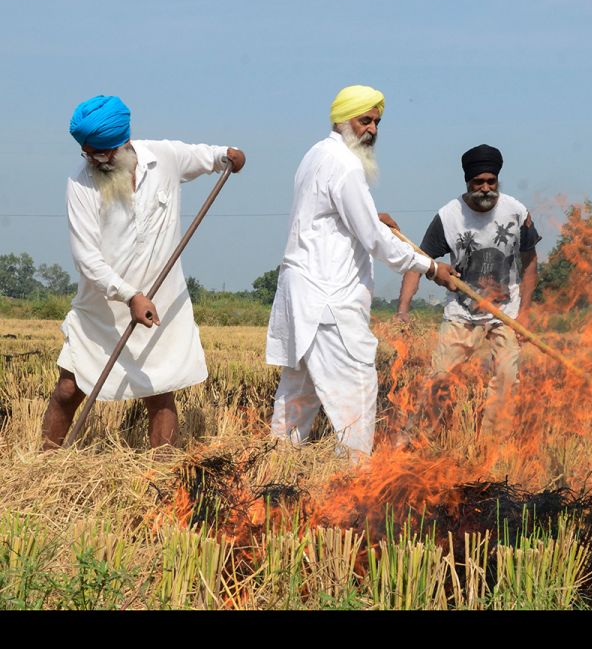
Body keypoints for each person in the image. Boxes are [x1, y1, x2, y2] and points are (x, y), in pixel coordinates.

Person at [42, 94, 246, 450]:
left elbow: (209, 156)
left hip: (159, 303)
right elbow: (86, 258)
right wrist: (130, 295)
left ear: (124, 143)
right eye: (88, 153)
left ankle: (161, 479)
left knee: (160, 392)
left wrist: (229, 156)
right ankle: (43, 467)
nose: (95, 161)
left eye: (102, 153)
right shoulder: (81, 184)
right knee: (69, 388)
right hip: (102, 309)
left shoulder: (164, 157)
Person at [265, 85, 457, 460]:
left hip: (303, 295)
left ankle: (273, 473)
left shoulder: (316, 155)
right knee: (356, 389)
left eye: (377, 122)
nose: (372, 129)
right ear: (342, 121)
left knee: (297, 396)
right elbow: (373, 240)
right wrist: (431, 267)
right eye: (364, 120)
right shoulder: (346, 166)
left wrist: (373, 218)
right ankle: (353, 485)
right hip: (328, 300)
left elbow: (343, 220)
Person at [396, 144, 541, 441]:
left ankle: (491, 448)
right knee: (439, 379)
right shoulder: (448, 217)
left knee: (505, 378)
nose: (486, 188)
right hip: (461, 314)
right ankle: (418, 442)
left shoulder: (518, 212)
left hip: (505, 315)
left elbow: (530, 262)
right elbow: (417, 263)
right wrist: (403, 309)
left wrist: (525, 311)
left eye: (491, 182)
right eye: (479, 183)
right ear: (467, 182)